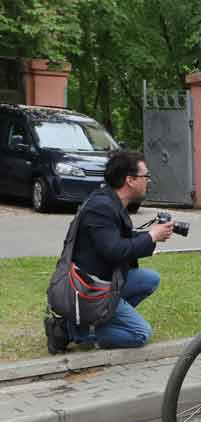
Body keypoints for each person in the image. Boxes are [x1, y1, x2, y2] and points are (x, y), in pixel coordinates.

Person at [45, 150, 175, 353]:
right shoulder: (101, 207)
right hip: (90, 288)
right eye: (145, 176)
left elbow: (117, 239)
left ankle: (101, 321)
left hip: (106, 279)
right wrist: (151, 237)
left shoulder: (111, 201)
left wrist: (151, 234)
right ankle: (70, 331)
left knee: (149, 279)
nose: (148, 180)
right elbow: (114, 251)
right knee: (140, 334)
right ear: (130, 180)